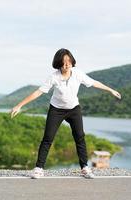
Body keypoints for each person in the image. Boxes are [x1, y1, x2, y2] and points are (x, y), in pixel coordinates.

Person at [10, 48, 121, 179]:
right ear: (58, 63)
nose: (66, 64)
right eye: (63, 62)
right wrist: (19, 105)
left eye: (69, 61)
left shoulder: (78, 74)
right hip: (56, 110)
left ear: (72, 62)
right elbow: (38, 92)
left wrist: (110, 90)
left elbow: (94, 83)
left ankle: (84, 167)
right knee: (48, 138)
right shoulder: (54, 77)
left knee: (80, 137)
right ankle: (39, 168)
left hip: (74, 109)